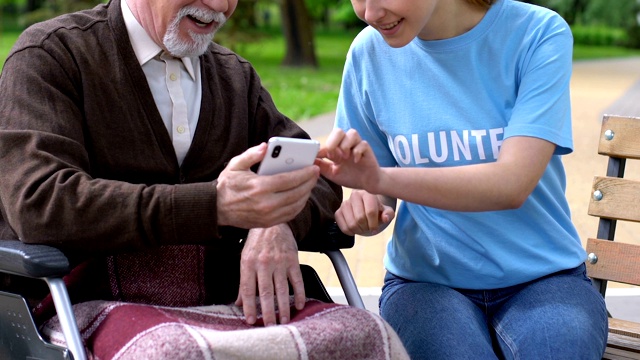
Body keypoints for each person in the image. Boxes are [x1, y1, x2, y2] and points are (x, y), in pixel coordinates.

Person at [0, 0, 341, 329]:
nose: (220, 5)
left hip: (233, 307)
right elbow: (40, 203)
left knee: (366, 334)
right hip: (83, 307)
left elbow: (318, 175)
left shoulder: (235, 78)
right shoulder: (52, 55)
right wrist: (214, 206)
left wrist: (276, 221)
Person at [317, 0, 609, 358]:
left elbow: (510, 184)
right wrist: (367, 207)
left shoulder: (537, 33)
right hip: (425, 285)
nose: (369, 13)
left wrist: (378, 180)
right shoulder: (368, 54)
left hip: (545, 278)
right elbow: (377, 190)